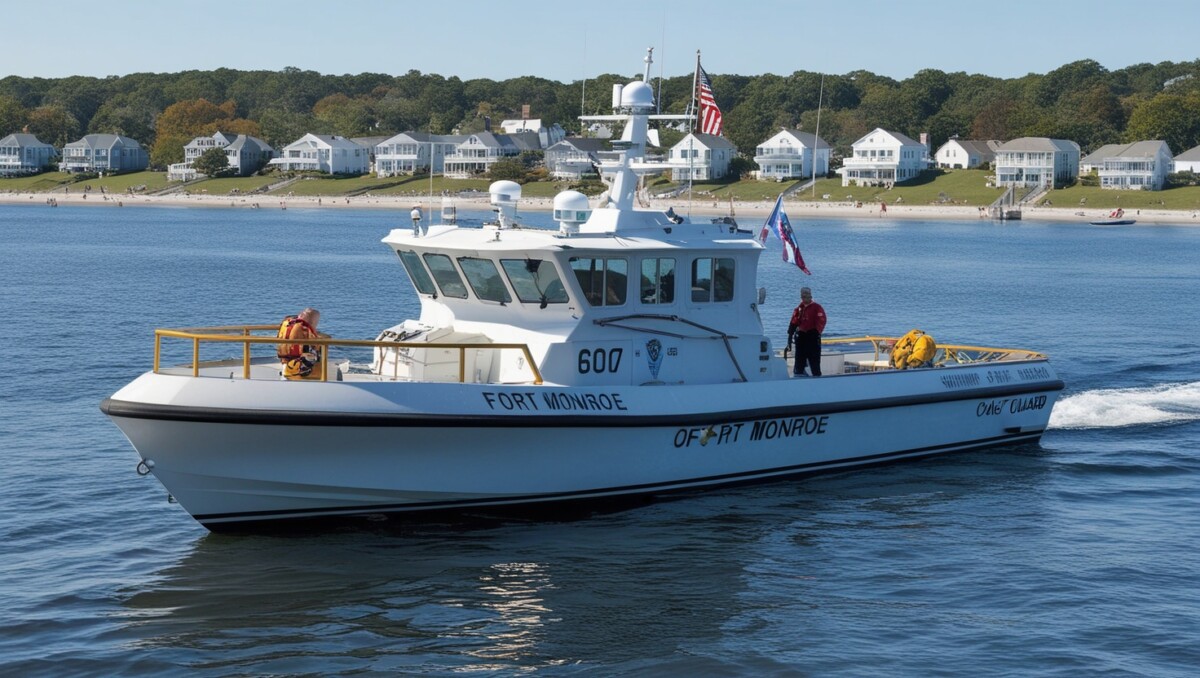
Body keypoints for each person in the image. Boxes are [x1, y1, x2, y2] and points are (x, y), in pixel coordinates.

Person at [787, 287, 827, 377]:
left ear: (810, 296)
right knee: (800, 357)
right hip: (801, 335)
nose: (805, 298)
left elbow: (822, 320)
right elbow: (794, 321)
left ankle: (816, 375)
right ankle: (799, 374)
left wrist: (817, 332)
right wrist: (790, 334)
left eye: (806, 296)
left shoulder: (817, 307)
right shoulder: (799, 308)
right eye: (803, 296)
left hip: (812, 335)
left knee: (814, 358)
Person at [277, 308, 322, 380]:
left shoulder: (289, 323)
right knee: (320, 351)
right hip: (300, 363)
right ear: (312, 322)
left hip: (285, 360)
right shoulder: (304, 329)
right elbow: (315, 345)